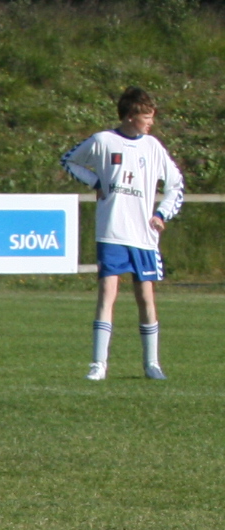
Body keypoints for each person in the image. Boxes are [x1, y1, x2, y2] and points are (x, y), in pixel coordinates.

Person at [62, 87, 184, 382]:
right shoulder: (103, 141)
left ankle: (152, 364)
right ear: (130, 116)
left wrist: (161, 214)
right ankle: (98, 364)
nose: (151, 122)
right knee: (107, 294)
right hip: (112, 231)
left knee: (145, 298)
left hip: (143, 235)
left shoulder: (153, 147)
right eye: (146, 117)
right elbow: (69, 160)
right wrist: (95, 182)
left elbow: (176, 184)